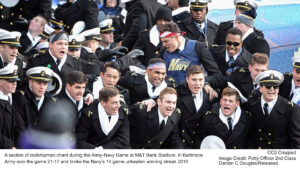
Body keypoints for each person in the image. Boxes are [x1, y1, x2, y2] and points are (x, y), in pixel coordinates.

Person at [247, 70, 300, 149]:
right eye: (268, 86)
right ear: (260, 88)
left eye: (275, 86)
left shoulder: (291, 109)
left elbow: (296, 141)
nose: (272, 89)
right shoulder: (253, 105)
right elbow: (249, 136)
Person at [13, 66, 62, 146]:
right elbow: (19, 128)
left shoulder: (51, 101)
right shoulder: (19, 97)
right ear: (30, 82)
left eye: (45, 83)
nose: (42, 87)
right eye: (39, 83)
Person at [176, 65, 215, 148]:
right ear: (187, 79)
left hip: (201, 143)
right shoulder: (178, 94)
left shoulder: (210, 95)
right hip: (182, 142)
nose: (197, 83)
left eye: (200, 80)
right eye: (194, 80)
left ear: (204, 80)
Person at [0, 64, 19, 149]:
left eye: (15, 80)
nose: (14, 84)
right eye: (10, 81)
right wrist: (9, 146)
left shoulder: (10, 98)